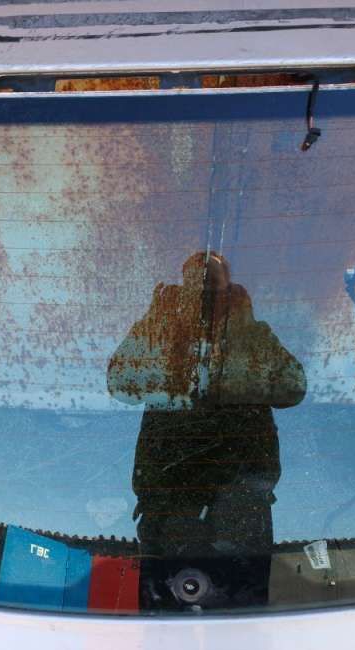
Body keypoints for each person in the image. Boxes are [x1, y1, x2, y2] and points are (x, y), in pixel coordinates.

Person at [108, 251, 306, 609]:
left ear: (229, 287)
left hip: (243, 495)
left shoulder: (252, 334)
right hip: (168, 496)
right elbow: (121, 382)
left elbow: (293, 388)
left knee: (245, 622)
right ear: (183, 284)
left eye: (212, 280)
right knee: (162, 624)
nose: (203, 290)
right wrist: (156, 320)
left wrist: (240, 335)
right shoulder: (162, 329)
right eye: (195, 279)